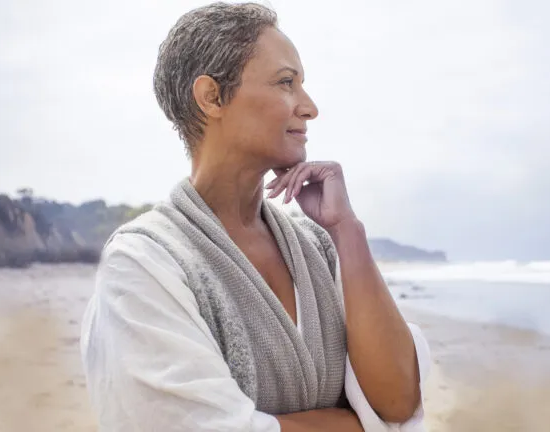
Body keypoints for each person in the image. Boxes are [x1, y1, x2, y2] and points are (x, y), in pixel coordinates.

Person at [80, 2, 430, 431]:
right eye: (286, 83)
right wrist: (360, 426)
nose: (309, 107)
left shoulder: (319, 247)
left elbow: (397, 403)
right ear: (211, 97)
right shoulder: (144, 262)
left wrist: (347, 231)